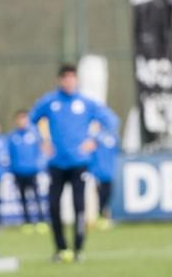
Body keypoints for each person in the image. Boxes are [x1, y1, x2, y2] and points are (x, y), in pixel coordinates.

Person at [29, 64, 119, 262]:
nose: (69, 81)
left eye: (72, 77)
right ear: (60, 80)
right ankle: (61, 249)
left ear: (76, 80)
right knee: (54, 206)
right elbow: (31, 121)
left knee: (80, 206)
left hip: (79, 163)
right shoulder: (50, 101)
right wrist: (42, 141)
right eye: (65, 78)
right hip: (56, 163)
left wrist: (94, 139)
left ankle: (78, 249)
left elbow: (111, 121)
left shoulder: (86, 103)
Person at [6, 109, 46, 231]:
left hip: (32, 171)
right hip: (18, 171)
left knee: (36, 197)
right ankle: (27, 222)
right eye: (20, 119)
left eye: (24, 119)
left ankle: (40, 221)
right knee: (23, 198)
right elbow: (10, 154)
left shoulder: (34, 135)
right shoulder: (12, 136)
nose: (22, 121)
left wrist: (38, 165)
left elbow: (41, 152)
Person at [88, 123, 119, 229]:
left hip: (109, 171)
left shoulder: (111, 136)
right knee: (97, 194)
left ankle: (104, 217)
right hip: (96, 171)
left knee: (107, 194)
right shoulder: (94, 137)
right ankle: (96, 218)